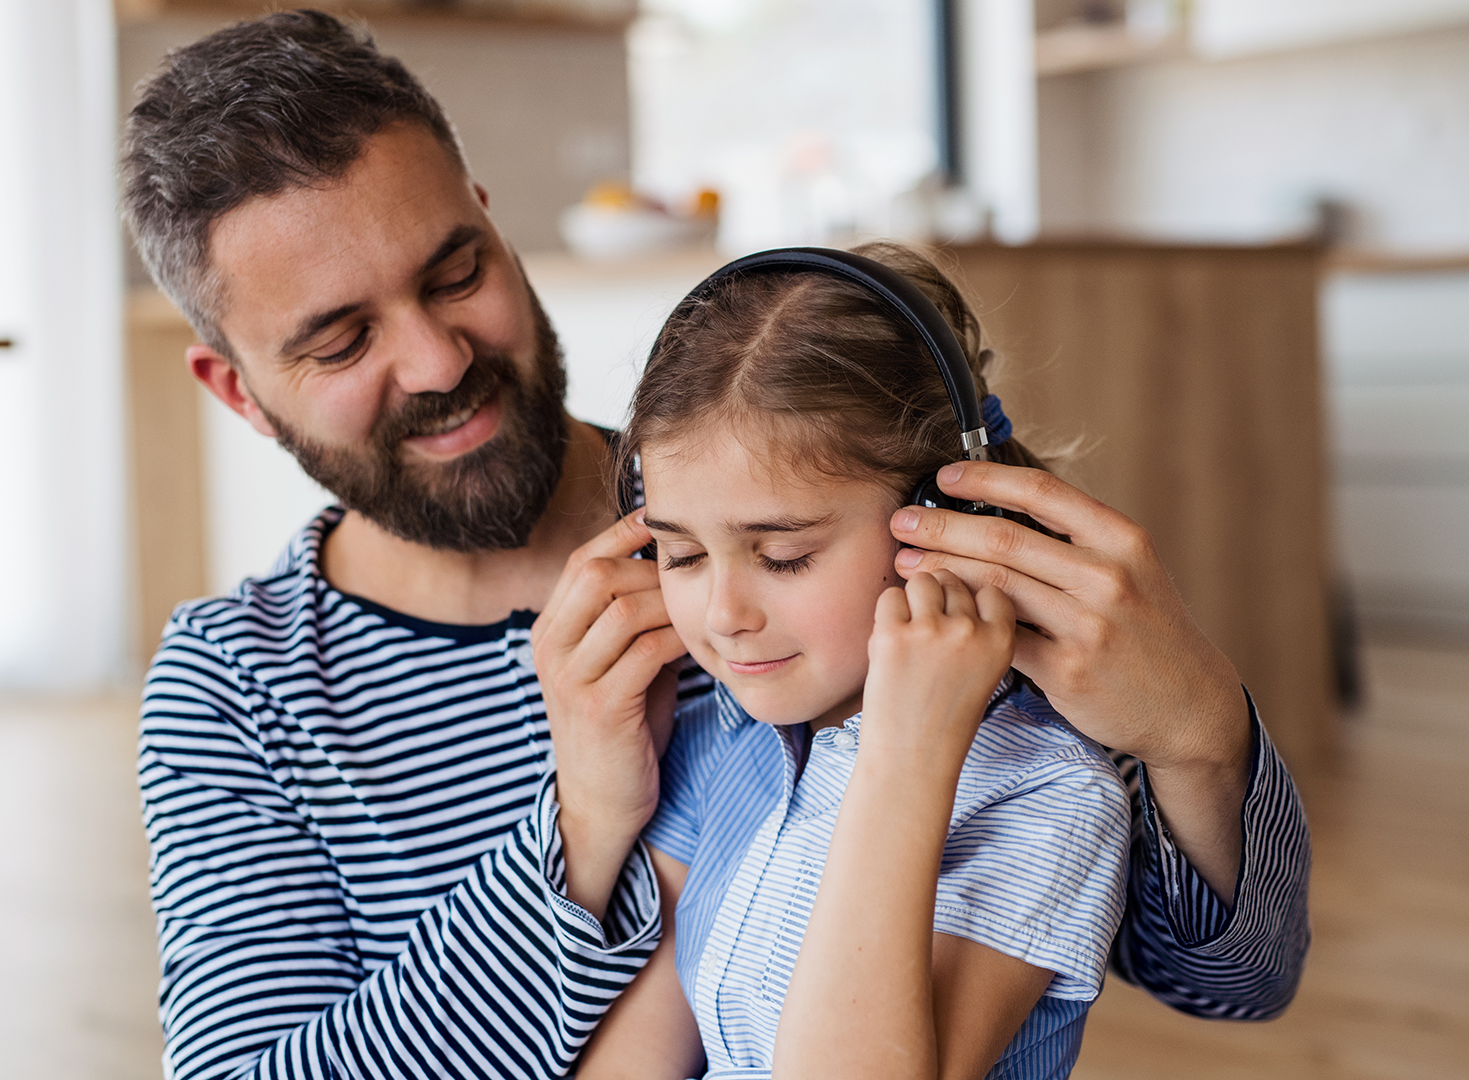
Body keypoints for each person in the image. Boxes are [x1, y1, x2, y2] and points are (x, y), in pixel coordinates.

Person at [120, 12, 1309, 1080]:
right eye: (338, 343)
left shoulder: (838, 564)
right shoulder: (236, 687)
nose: (436, 361)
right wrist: (582, 829)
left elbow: (1234, 983)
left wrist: (1200, 734)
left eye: (454, 273)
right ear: (238, 391)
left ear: (492, 218)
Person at [574, 243, 1133, 1080]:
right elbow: (643, 1049)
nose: (724, 618)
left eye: (785, 556)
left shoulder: (1046, 796)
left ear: (947, 517)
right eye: (682, 556)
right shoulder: (729, 729)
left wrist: (906, 754)